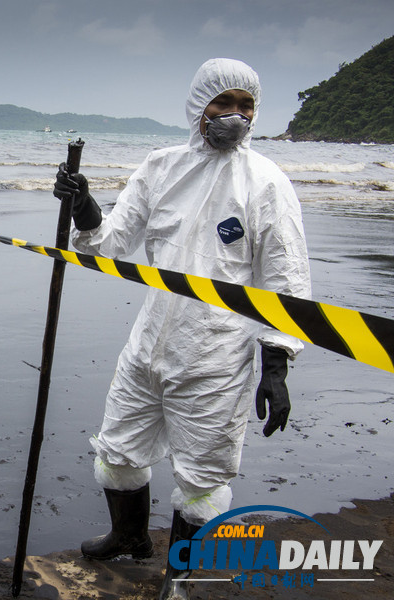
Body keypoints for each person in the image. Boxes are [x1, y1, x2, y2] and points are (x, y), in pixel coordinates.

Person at [53, 58, 311, 600]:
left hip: (216, 352)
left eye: (246, 107)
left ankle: (182, 575)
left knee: (203, 476)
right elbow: (112, 244)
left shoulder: (266, 182)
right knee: (118, 451)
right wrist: (83, 204)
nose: (236, 117)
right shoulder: (161, 166)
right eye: (225, 104)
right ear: (199, 106)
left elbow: (285, 277)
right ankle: (129, 536)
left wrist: (277, 363)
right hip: (149, 341)